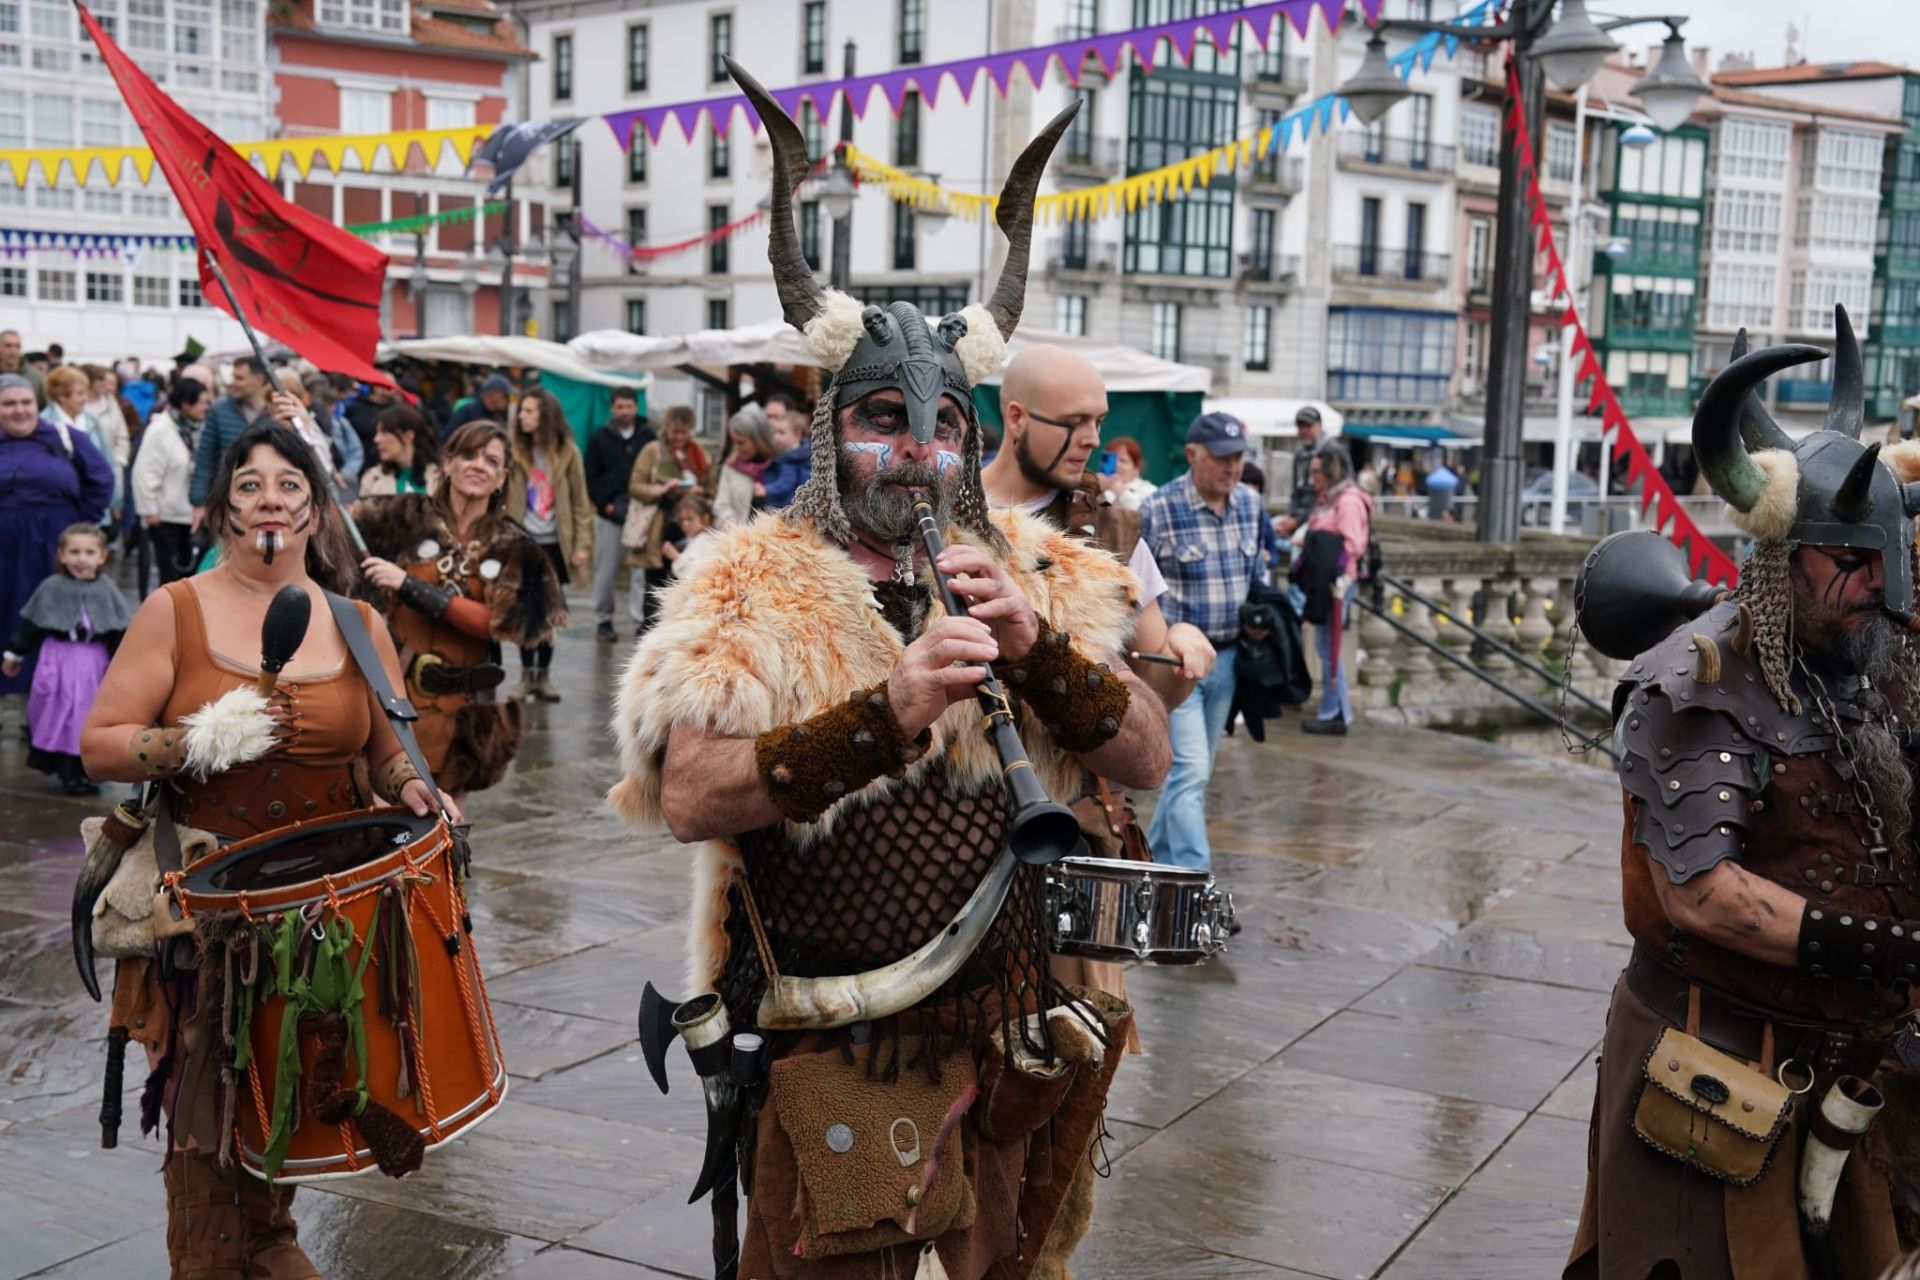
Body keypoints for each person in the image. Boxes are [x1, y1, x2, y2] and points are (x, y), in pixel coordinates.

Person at [610, 62, 1164, 1280]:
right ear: (828, 429)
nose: (914, 456)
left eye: (943, 430)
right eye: (881, 424)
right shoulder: (748, 581)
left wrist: (1037, 647)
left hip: (1015, 1029)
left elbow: (1147, 755)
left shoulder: (1031, 562)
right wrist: (896, 705)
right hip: (841, 1038)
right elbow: (693, 796)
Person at [1566, 315, 1920, 1280]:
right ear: (1782, 550)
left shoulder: (1878, 646)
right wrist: (1896, 949)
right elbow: (1701, 894)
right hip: (1718, 1065)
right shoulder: (1697, 681)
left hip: (1863, 1068)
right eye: (1852, 561)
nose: (1878, 585)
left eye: (1889, 557)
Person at [80, 421, 459, 1280]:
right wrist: (196, 743)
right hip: (206, 922)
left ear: (316, 509)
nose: (270, 500)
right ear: (220, 511)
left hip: (324, 921)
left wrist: (414, 789)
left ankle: (270, 1243)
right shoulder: (172, 608)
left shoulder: (359, 622)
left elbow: (388, 750)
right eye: (248, 485)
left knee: (281, 1119)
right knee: (206, 1137)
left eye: (289, 484)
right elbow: (99, 743)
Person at [355, 421, 567, 800]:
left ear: (501, 477)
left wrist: (407, 584)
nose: (478, 465)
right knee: (379, 816)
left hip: (461, 707)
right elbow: (331, 515)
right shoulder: (403, 516)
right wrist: (305, 432)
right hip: (393, 694)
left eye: (490, 460)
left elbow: (495, 623)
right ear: (448, 463)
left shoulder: (512, 544)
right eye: (468, 455)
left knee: (446, 824)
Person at [1137, 411, 1268, 872]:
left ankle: (1149, 861)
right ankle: (1197, 883)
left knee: (1194, 775)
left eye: (1238, 458)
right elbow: (1138, 589)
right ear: (1193, 455)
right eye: (1222, 458)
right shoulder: (1158, 509)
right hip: (1177, 666)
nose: (1232, 467)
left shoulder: (1251, 505)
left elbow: (1259, 573)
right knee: (1190, 771)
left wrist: (1261, 613)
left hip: (1228, 659)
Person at [0, 374, 114, 708]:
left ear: (38, 405)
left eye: (26, 403)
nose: (19, 410)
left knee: (53, 616)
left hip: (52, 546)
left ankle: (44, 700)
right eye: (9, 404)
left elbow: (101, 480)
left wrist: (77, 527)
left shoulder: (66, 437)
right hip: (3, 548)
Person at [3, 524, 131, 792]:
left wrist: (126, 668)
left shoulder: (107, 591)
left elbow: (119, 633)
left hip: (93, 666)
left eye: (88, 552)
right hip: (57, 662)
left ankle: (84, 770)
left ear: (102, 556)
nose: (81, 559)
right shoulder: (51, 588)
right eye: (74, 552)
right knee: (58, 715)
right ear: (62, 555)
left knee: (86, 716)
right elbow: (32, 627)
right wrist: (15, 653)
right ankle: (66, 771)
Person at [504, 388, 590, 702]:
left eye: (529, 411)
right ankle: (526, 677)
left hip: (556, 543)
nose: (522, 416)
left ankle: (545, 677)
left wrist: (582, 544)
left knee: (550, 611)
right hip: (522, 542)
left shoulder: (568, 452)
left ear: (545, 415)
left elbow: (581, 502)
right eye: (522, 411)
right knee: (525, 610)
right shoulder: (513, 452)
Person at [1291, 447, 1372, 734]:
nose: (1311, 477)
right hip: (1327, 581)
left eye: (1315, 471)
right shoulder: (1332, 499)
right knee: (1327, 646)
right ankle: (1337, 710)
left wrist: (1336, 572)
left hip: (1337, 583)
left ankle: (1334, 711)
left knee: (1330, 647)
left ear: (1330, 471)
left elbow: (1354, 545)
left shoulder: (1347, 501)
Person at [626, 405, 709, 630]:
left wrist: (698, 494)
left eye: (684, 433)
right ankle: (646, 637)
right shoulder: (652, 450)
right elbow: (635, 486)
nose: (679, 438)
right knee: (654, 587)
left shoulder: (699, 455)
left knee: (682, 585)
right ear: (667, 429)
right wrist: (661, 490)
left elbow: (711, 490)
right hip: (659, 526)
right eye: (675, 432)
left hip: (691, 529)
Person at [583, 385, 653, 642]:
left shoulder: (647, 437)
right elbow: (589, 474)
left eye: (629, 406)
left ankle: (639, 620)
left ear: (636, 407)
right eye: (619, 406)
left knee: (639, 571)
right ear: (612, 408)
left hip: (639, 512)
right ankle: (604, 619)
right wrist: (603, 504)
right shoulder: (599, 438)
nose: (624, 411)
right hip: (610, 510)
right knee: (606, 569)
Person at [131, 378, 207, 586]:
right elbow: (145, 472)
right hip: (166, 517)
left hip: (189, 516)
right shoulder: (161, 430)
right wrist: (149, 510)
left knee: (188, 577)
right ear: (185, 404)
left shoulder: (195, 429)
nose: (205, 407)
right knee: (171, 577)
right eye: (201, 402)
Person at [43, 365, 116, 524]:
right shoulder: (44, 424)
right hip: (58, 508)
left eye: (86, 393)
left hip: (92, 505)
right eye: (80, 394)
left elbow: (108, 461)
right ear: (61, 396)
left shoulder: (92, 421)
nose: (85, 398)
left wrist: (113, 501)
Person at [711, 401, 776, 529]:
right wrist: (728, 519)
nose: (736, 448)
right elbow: (721, 504)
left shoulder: (778, 466)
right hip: (739, 538)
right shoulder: (731, 467)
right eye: (733, 442)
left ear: (759, 440)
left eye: (741, 443)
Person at [357, 403, 442, 498]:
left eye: (385, 432)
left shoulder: (441, 477)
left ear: (409, 436)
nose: (376, 439)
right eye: (376, 432)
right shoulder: (372, 479)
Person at [1277, 405, 1337, 538]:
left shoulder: (1331, 451)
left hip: (1323, 516)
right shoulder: (1300, 453)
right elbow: (1295, 491)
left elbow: (1328, 497)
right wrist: (1289, 515)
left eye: (1308, 426)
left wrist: (1297, 521)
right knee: (1271, 527)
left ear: (1320, 426)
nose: (1303, 431)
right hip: (1299, 515)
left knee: (1300, 539)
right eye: (1300, 426)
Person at [758, 405, 812, 510]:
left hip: (787, 505)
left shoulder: (790, 457)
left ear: (797, 434)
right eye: (775, 432)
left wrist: (766, 490)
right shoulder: (804, 452)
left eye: (781, 433)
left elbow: (786, 482)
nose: (776, 437)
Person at [660, 488, 718, 577]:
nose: (685, 524)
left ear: (705, 519)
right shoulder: (696, 539)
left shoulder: (705, 541)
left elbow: (695, 573)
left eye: (690, 519)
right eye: (682, 520)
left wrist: (675, 556)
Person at [446, 372, 513, 440]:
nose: (508, 401)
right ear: (493, 394)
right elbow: (447, 438)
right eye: (506, 396)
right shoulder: (468, 412)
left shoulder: (496, 416)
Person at [1099, 435, 1156, 511]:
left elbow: (1144, 514)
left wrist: (1122, 493)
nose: (1116, 465)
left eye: (1123, 461)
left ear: (1136, 467)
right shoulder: (1099, 487)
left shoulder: (1149, 491)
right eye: (1113, 460)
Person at [0, 327, 46, 404]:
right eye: (8, 346)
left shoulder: (35, 377)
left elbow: (45, 408)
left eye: (17, 346)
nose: (13, 350)